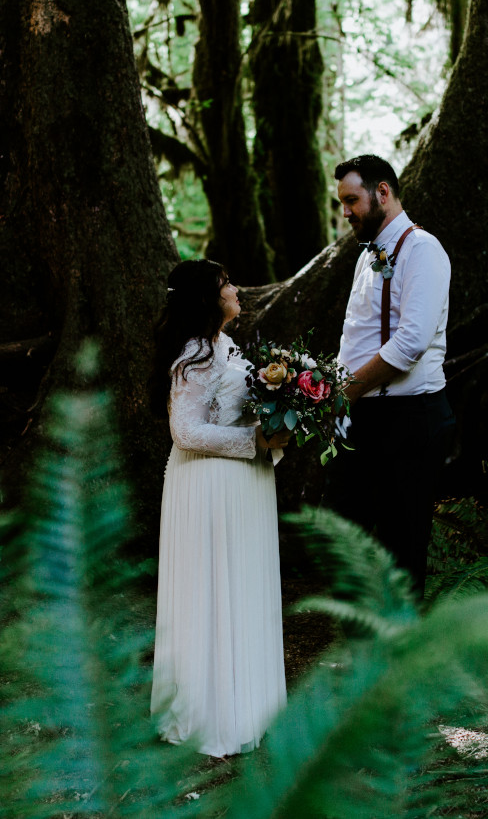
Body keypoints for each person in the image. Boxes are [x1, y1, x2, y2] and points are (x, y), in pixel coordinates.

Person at [149, 259, 289, 758]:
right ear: (207, 297)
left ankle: (247, 705)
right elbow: (184, 432)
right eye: (226, 282)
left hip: (242, 486)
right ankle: (212, 714)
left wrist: (283, 422)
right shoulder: (196, 353)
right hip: (209, 486)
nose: (235, 288)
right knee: (212, 586)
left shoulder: (225, 347)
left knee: (241, 586)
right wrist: (253, 440)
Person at [329, 154, 454, 597]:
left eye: (351, 200)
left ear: (382, 192)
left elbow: (409, 344)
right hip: (363, 416)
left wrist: (345, 391)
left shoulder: (423, 251)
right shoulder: (367, 255)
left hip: (409, 419)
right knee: (352, 533)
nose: (345, 212)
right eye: (341, 202)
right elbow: (359, 336)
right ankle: (365, 647)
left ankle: (402, 654)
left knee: (402, 542)